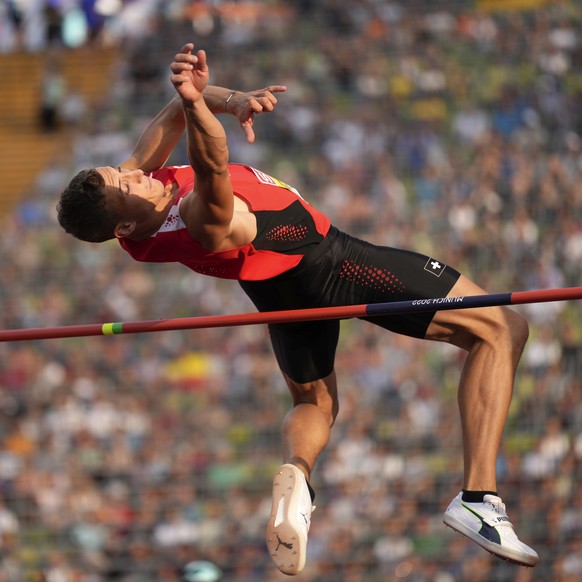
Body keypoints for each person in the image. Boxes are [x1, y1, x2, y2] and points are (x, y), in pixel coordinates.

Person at [56, 43, 539, 575]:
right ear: (123, 226)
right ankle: (478, 497)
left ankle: (298, 479)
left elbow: (173, 112)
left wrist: (228, 98)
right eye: (127, 182)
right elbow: (211, 160)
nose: (137, 173)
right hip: (332, 265)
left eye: (124, 171)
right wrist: (201, 107)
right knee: (500, 328)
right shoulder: (201, 221)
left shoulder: (133, 208)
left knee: (317, 403)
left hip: (277, 293)